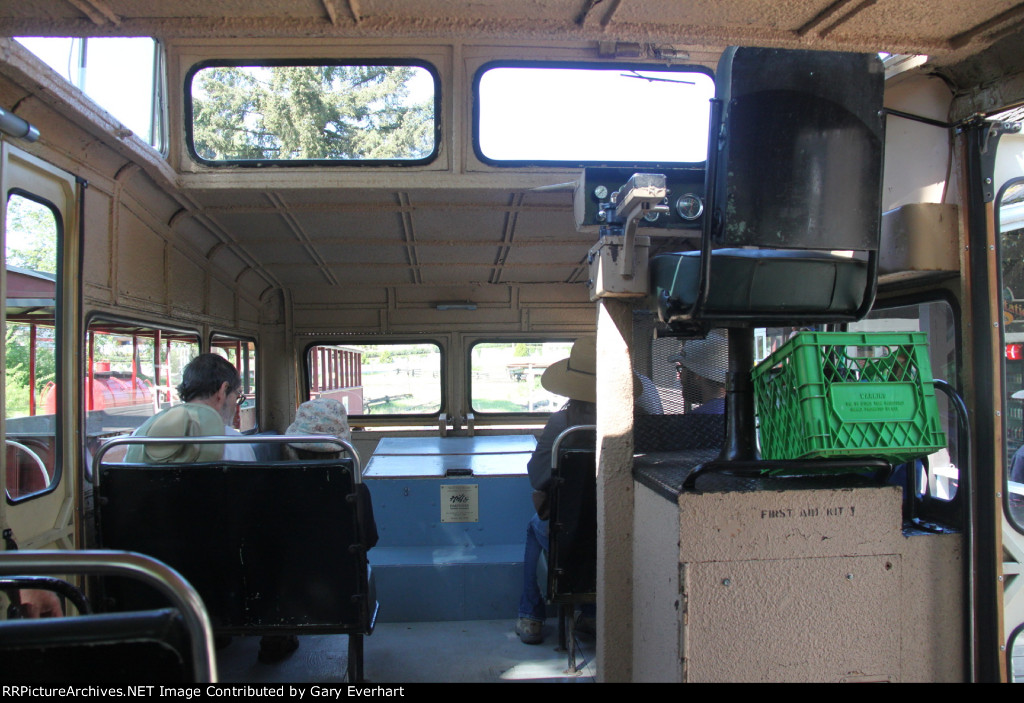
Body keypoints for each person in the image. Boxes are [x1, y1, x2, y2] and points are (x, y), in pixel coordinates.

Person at [516, 337, 597, 645]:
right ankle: (589, 613)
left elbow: (537, 478)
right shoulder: (631, 421)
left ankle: (531, 615)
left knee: (536, 527)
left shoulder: (561, 423)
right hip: (617, 526)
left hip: (568, 526)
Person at [125, 353, 254, 463]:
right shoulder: (234, 443)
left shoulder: (139, 436)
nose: (235, 403)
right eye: (237, 395)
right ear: (223, 390)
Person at [285, 399, 377, 551]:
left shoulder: (276, 486)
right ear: (340, 449)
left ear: (294, 447)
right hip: (343, 573)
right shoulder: (355, 488)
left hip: (284, 573)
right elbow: (369, 540)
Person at [670, 330, 727, 414]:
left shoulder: (696, 419)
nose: (680, 376)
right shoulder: (739, 411)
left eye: (682, 368)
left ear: (697, 374)